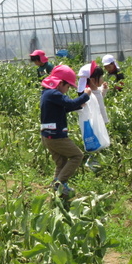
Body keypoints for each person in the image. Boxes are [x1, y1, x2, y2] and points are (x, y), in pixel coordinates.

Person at [40, 65, 92, 197]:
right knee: (77, 155)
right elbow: (69, 103)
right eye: (68, 86)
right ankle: (59, 183)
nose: (67, 90)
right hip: (56, 136)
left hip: (48, 136)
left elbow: (63, 109)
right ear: (60, 83)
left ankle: (58, 191)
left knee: (61, 163)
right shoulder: (54, 93)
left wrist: (78, 105)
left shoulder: (47, 94)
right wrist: (85, 96)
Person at [78, 62, 110, 169]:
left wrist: (104, 89)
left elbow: (100, 97)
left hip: (102, 119)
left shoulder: (96, 90)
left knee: (103, 140)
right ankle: (92, 162)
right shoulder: (89, 93)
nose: (102, 79)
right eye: (100, 77)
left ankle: (99, 161)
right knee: (98, 141)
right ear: (92, 80)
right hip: (96, 121)